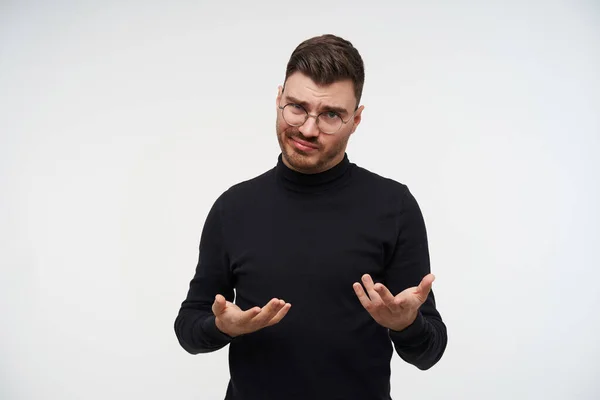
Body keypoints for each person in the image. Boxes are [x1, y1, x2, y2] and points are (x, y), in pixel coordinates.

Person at [174, 34, 447, 400]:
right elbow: (189, 328)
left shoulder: (393, 205)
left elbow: (429, 352)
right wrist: (222, 327)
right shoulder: (232, 208)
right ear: (278, 99)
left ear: (356, 119)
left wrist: (407, 324)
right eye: (297, 107)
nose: (307, 129)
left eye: (331, 115)